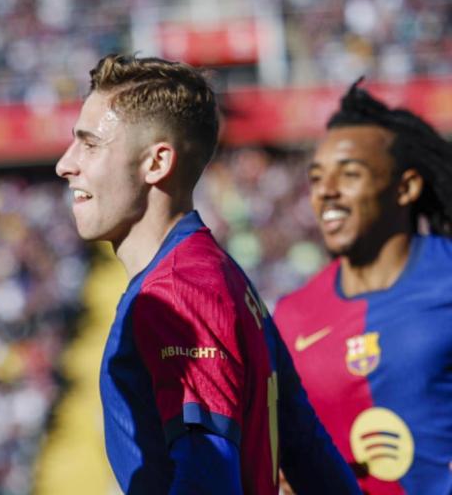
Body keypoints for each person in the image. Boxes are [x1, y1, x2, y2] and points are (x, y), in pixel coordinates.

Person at [55, 54, 359, 493]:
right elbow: (310, 453)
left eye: (89, 143)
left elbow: (207, 472)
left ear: (156, 163)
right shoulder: (220, 276)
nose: (65, 164)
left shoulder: (179, 290)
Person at [273, 81, 452, 494]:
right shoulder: (292, 314)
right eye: (316, 177)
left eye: (349, 173)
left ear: (405, 187)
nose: (325, 191)